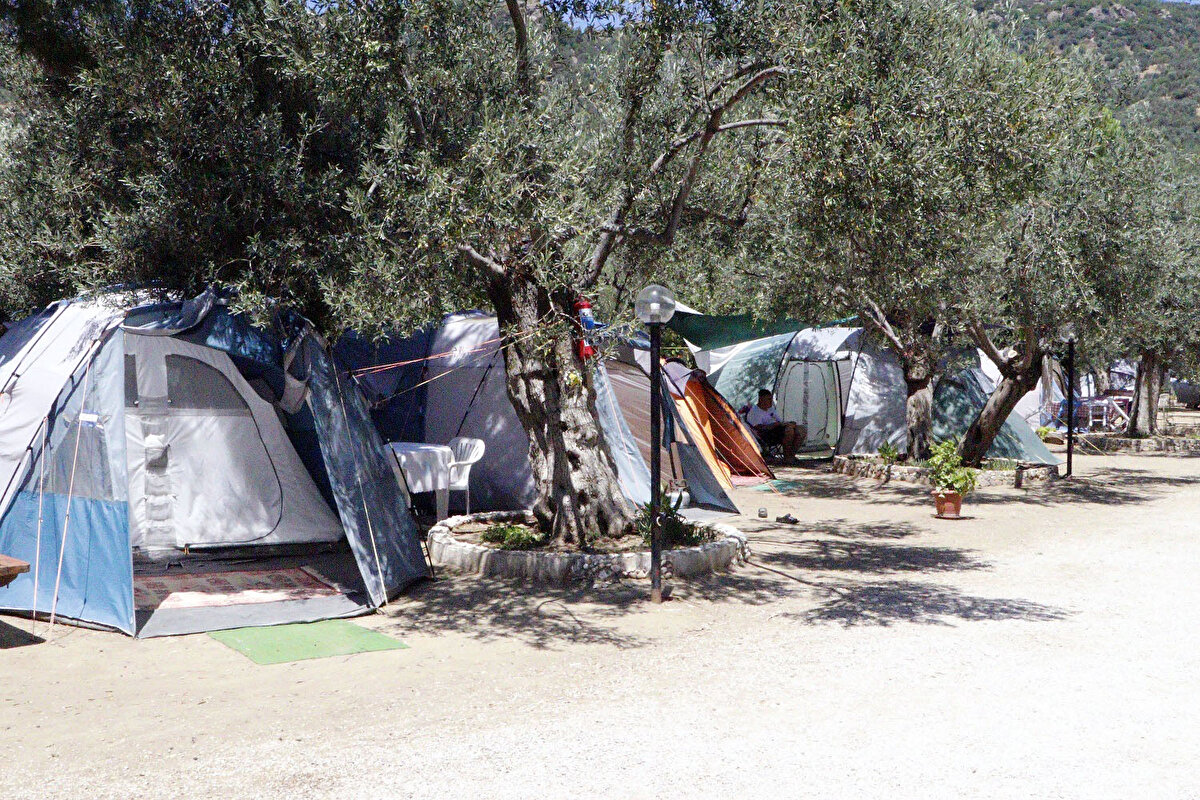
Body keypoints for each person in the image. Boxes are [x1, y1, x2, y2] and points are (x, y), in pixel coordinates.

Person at [746, 389, 800, 463]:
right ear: (761, 400)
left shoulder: (771, 409)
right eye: (768, 399)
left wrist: (787, 423)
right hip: (767, 435)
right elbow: (759, 429)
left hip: (778, 429)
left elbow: (779, 421)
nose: (771, 401)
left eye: (771, 399)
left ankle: (791, 455)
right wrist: (775, 425)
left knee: (801, 430)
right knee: (789, 430)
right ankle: (787, 457)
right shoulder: (754, 412)